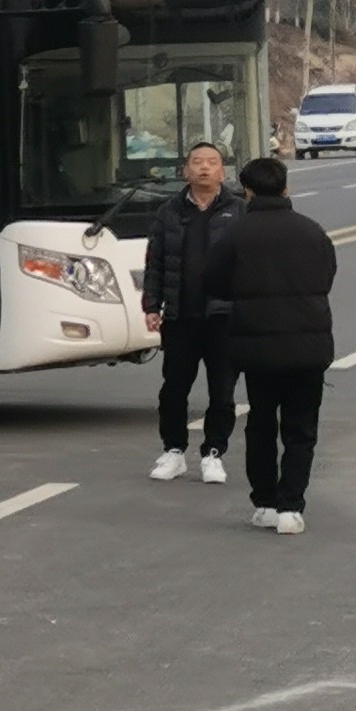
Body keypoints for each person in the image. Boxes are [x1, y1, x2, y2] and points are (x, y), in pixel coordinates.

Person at [203, 153, 337, 536]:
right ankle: (291, 508)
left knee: (261, 423)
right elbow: (326, 277)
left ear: (246, 191)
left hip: (256, 347)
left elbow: (213, 282)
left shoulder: (236, 235)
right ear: (286, 187)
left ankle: (264, 502)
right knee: (301, 428)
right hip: (308, 346)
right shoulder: (312, 231)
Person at [139, 139, 239, 485]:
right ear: (185, 170)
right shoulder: (169, 212)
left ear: (222, 170)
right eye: (197, 162)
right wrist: (151, 305)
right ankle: (174, 451)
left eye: (212, 162)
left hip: (224, 317)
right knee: (174, 388)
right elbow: (155, 263)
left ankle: (214, 453)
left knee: (222, 390)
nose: (204, 168)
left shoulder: (237, 210)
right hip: (180, 316)